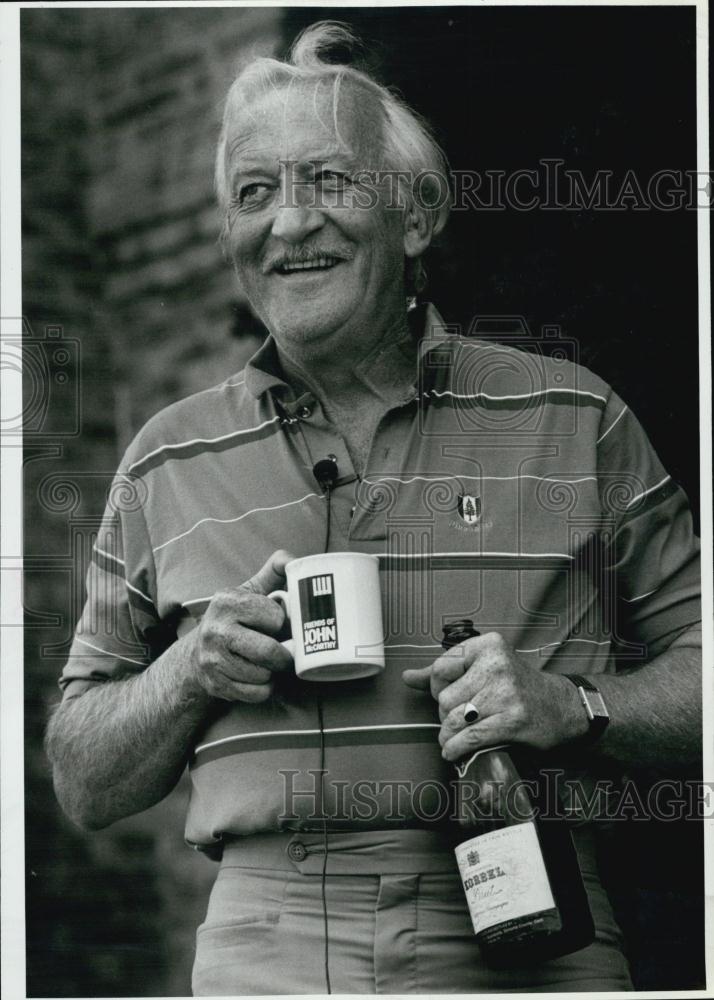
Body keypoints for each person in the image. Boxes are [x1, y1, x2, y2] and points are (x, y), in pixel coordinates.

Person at [46, 21, 702, 995]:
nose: (288, 223)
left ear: (419, 215)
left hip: (534, 927)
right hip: (264, 944)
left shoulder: (574, 415)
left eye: (329, 181)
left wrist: (574, 704)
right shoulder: (164, 459)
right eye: (253, 193)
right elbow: (82, 778)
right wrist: (191, 669)